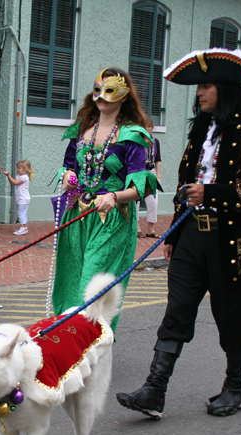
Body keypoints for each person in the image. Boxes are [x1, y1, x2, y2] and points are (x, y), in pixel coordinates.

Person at [116, 48, 241, 419]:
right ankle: (154, 390)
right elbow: (183, 182)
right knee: (177, 311)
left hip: (230, 239)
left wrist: (212, 193)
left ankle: (234, 387)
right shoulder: (202, 130)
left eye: (206, 86)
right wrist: (173, 235)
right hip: (191, 235)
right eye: (199, 87)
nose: (199, 93)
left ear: (225, 88)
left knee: (231, 315)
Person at [54, 67, 159, 331]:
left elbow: (141, 187)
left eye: (110, 90)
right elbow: (68, 165)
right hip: (77, 215)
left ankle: (93, 341)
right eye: (98, 89)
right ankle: (69, 339)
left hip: (112, 219)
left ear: (124, 96)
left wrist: (114, 196)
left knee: (93, 280)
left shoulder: (133, 135)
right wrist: (66, 175)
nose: (102, 96)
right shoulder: (81, 130)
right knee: (71, 277)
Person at [138, 118, 162, 238]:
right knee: (136, 200)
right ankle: (137, 227)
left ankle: (150, 229)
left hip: (150, 171)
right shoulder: (137, 140)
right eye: (145, 126)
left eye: (149, 127)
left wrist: (158, 176)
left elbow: (158, 160)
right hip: (138, 171)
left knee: (153, 201)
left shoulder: (155, 142)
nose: (148, 129)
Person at [4, 160, 33, 236]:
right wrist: (9, 177)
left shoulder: (24, 177)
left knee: (21, 214)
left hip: (23, 199)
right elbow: (12, 182)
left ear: (25, 169)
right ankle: (25, 227)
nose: (17, 169)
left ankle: (22, 228)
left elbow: (15, 183)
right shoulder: (19, 176)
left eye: (19, 168)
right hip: (22, 198)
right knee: (23, 213)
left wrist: (9, 176)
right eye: (17, 168)